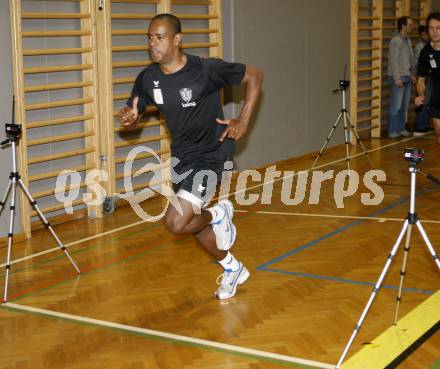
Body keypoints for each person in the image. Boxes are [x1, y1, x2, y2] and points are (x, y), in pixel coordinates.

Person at [118, 14, 263, 299]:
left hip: (212, 154)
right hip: (181, 158)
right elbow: (135, 108)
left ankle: (218, 214)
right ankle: (233, 268)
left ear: (177, 40)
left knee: (175, 222)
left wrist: (243, 121)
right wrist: (130, 117)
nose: (152, 43)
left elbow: (255, 76)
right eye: (149, 37)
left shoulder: (205, 70)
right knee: (192, 226)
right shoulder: (149, 79)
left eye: (159, 37)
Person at [387, 16, 415, 139]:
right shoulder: (396, 40)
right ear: (403, 26)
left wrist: (412, 74)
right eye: (410, 25)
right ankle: (392, 131)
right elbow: (393, 61)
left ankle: (401, 128)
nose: (412, 27)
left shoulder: (408, 40)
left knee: (404, 106)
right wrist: (397, 78)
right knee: (396, 105)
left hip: (407, 76)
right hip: (399, 77)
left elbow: (410, 59)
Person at [416, 12, 440, 145]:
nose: (435, 32)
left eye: (438, 28)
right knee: (438, 131)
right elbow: (420, 79)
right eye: (431, 28)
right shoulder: (426, 52)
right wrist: (420, 95)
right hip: (437, 96)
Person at [414, 25, 431, 135]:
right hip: (423, 77)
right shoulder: (421, 47)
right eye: (424, 35)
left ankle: (424, 124)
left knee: (428, 102)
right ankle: (420, 126)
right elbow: (418, 63)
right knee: (423, 100)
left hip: (430, 76)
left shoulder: (429, 46)